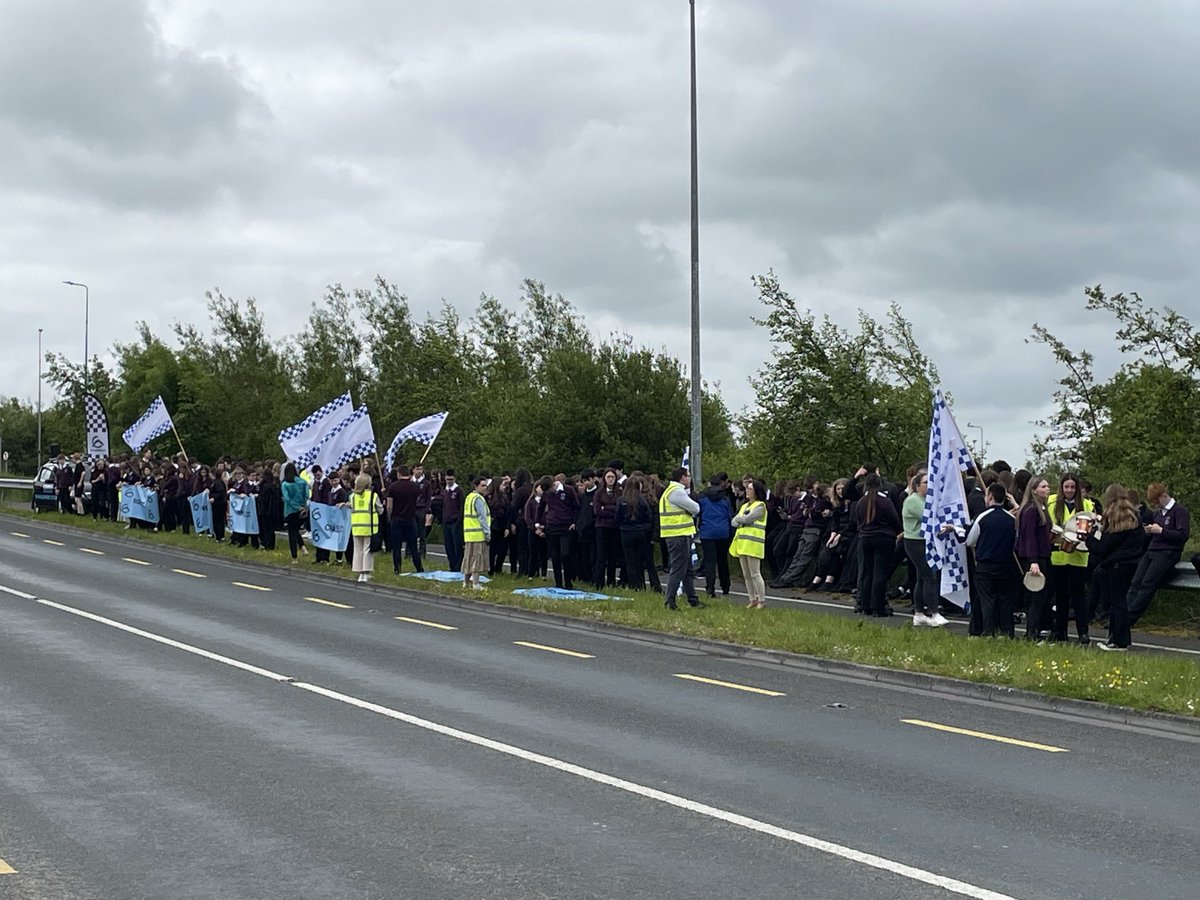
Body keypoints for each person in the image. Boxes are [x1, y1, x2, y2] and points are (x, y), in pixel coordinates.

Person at [1126, 483, 1191, 628]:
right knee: (1136, 582)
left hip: (1168, 552)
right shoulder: (1157, 514)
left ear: (1163, 496)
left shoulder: (1179, 511)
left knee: (1147, 584)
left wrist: (1162, 531)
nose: (1155, 505)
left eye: (1156, 502)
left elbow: (1183, 535)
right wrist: (1148, 531)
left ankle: (1129, 619)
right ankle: (1122, 614)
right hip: (1152, 550)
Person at [1087, 486, 1144, 651]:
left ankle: (1118, 640)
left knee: (1116, 603)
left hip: (1115, 565)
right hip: (1132, 563)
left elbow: (1103, 547)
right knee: (1122, 603)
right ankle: (1120, 638)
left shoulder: (1112, 518)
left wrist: (1089, 538)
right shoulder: (1134, 516)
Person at [1047, 473, 1095, 644]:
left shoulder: (1088, 504)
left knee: (1079, 596)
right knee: (1060, 596)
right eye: (1066, 487)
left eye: (1072, 487)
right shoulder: (1052, 502)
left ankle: (1083, 632)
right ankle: (1060, 631)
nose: (1069, 490)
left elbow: (1093, 529)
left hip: (1078, 556)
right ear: (1061, 488)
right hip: (1058, 555)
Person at [966, 483, 1018, 637]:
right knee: (1005, 600)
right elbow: (1015, 540)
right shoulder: (1011, 519)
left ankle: (987, 631)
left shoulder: (982, 517)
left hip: (985, 565)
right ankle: (1007, 631)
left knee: (987, 599)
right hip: (1006, 564)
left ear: (990, 496)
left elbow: (969, 540)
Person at [852, 472, 902, 617]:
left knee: (867, 572)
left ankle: (865, 604)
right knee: (880, 572)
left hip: (864, 538)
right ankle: (878, 605)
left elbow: (857, 521)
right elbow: (894, 519)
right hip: (883, 538)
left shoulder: (861, 501)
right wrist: (898, 531)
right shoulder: (885, 501)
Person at [902, 472, 946, 626]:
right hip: (915, 541)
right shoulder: (913, 501)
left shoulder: (927, 500)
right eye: (926, 482)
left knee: (922, 577)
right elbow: (929, 519)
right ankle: (934, 612)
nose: (929, 485)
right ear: (917, 485)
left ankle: (919, 612)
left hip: (925, 541)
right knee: (930, 575)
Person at [1016, 475, 1054, 641]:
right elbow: (1029, 536)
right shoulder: (1031, 510)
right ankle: (1031, 633)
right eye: (1043, 487)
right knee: (1036, 597)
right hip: (1035, 557)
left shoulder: (1042, 509)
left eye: (1047, 486)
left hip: (1043, 555)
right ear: (1034, 490)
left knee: (1042, 597)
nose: (1047, 489)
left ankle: (1037, 630)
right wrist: (1033, 561)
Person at [659, 467, 701, 609]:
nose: (690, 479)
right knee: (678, 569)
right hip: (678, 535)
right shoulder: (677, 491)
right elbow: (696, 508)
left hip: (678, 534)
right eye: (688, 476)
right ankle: (670, 602)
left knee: (688, 569)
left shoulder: (670, 490)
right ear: (682, 477)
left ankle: (693, 599)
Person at [731, 477, 768, 609]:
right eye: (747, 488)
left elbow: (746, 519)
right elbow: (734, 521)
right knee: (746, 574)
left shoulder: (760, 506)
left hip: (754, 544)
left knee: (755, 573)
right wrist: (741, 519)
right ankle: (752, 599)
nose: (747, 491)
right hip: (743, 543)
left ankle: (761, 600)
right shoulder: (745, 506)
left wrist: (741, 519)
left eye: (750, 489)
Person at [617, 475, 659, 591]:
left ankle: (635, 586)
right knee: (642, 559)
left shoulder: (622, 500)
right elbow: (648, 517)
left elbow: (618, 516)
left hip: (626, 532)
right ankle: (650, 586)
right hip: (641, 532)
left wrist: (622, 525)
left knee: (630, 561)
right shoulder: (642, 500)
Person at [541, 473, 580, 589]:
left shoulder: (568, 490)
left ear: (554, 484)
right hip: (552, 527)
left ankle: (568, 581)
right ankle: (558, 582)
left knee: (565, 554)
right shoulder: (546, 493)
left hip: (566, 527)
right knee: (555, 556)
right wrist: (538, 524)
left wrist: (574, 522)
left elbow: (576, 506)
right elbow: (540, 507)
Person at [698, 474, 733, 598]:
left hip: (707, 532)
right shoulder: (725, 498)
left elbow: (698, 513)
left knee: (709, 561)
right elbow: (729, 516)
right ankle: (725, 586)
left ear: (709, 484)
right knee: (722, 560)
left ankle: (710, 588)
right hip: (723, 532)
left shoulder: (702, 497)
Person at [386, 465, 423, 574]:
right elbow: (417, 500)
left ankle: (397, 569)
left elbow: (389, 505)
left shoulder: (393, 487)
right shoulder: (415, 487)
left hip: (397, 518)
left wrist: (389, 517)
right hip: (410, 518)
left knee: (396, 546)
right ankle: (419, 567)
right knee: (413, 546)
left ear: (399, 474)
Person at [349, 473, 382, 583]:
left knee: (358, 550)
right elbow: (380, 510)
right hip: (369, 526)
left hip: (356, 526)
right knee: (367, 550)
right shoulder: (373, 496)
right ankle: (366, 573)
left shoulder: (352, 496)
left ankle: (359, 573)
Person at [592, 468, 621, 587]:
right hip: (602, 527)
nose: (610, 479)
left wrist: (607, 508)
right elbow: (597, 511)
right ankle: (599, 582)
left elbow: (620, 509)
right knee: (601, 555)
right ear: (604, 478)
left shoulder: (619, 492)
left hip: (614, 527)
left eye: (612, 477)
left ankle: (611, 581)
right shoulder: (599, 493)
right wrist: (611, 509)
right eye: (608, 477)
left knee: (613, 556)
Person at [462, 474, 491, 590]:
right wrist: (487, 533)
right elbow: (482, 518)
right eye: (483, 485)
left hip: (469, 534)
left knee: (468, 558)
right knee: (477, 559)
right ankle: (476, 583)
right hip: (478, 534)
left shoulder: (469, 497)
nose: (485, 488)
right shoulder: (478, 499)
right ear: (476, 486)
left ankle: (465, 582)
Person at [281, 463, 309, 561]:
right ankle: (302, 547)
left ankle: (294, 557)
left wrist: (297, 507)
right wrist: (303, 506)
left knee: (291, 533)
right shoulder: (303, 482)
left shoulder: (285, 484)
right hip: (303, 509)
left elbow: (287, 499)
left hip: (290, 510)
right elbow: (306, 495)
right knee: (295, 530)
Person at [441, 469, 465, 572]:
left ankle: (458, 566)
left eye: (451, 479)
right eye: (447, 479)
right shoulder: (445, 491)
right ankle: (451, 566)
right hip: (446, 522)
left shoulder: (459, 491)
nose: (449, 481)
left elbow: (462, 507)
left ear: (454, 478)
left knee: (457, 546)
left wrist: (459, 521)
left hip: (455, 522)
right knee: (448, 546)